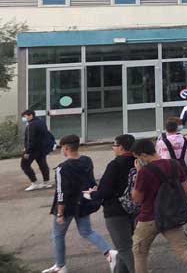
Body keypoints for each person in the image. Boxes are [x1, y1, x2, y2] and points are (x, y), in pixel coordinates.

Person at [130, 139, 187, 273]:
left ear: (143, 155)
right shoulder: (174, 164)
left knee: (140, 252)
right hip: (171, 215)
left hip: (149, 217)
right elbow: (185, 189)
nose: (137, 161)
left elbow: (137, 199)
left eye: (137, 157)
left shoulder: (144, 172)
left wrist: (138, 173)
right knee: (184, 249)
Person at [42, 134, 117, 273]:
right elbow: (91, 182)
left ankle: (60, 265)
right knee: (87, 231)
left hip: (67, 206)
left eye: (62, 148)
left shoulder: (62, 168)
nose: (61, 150)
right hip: (83, 203)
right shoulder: (86, 161)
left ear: (66, 148)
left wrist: (60, 213)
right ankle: (109, 253)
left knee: (58, 235)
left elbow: (61, 192)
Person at [85, 134, 136, 273]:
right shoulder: (138, 162)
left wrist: (91, 194)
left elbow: (105, 191)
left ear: (121, 147)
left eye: (114, 145)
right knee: (125, 245)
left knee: (124, 248)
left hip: (115, 211)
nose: (113, 148)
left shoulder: (115, 165)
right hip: (134, 209)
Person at [20, 109, 52, 191]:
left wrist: (27, 151)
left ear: (30, 115)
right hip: (42, 148)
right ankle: (46, 182)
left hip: (33, 149)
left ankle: (34, 182)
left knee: (24, 165)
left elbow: (31, 139)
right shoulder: (41, 122)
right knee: (42, 164)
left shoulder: (31, 125)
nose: (24, 118)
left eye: (25, 116)